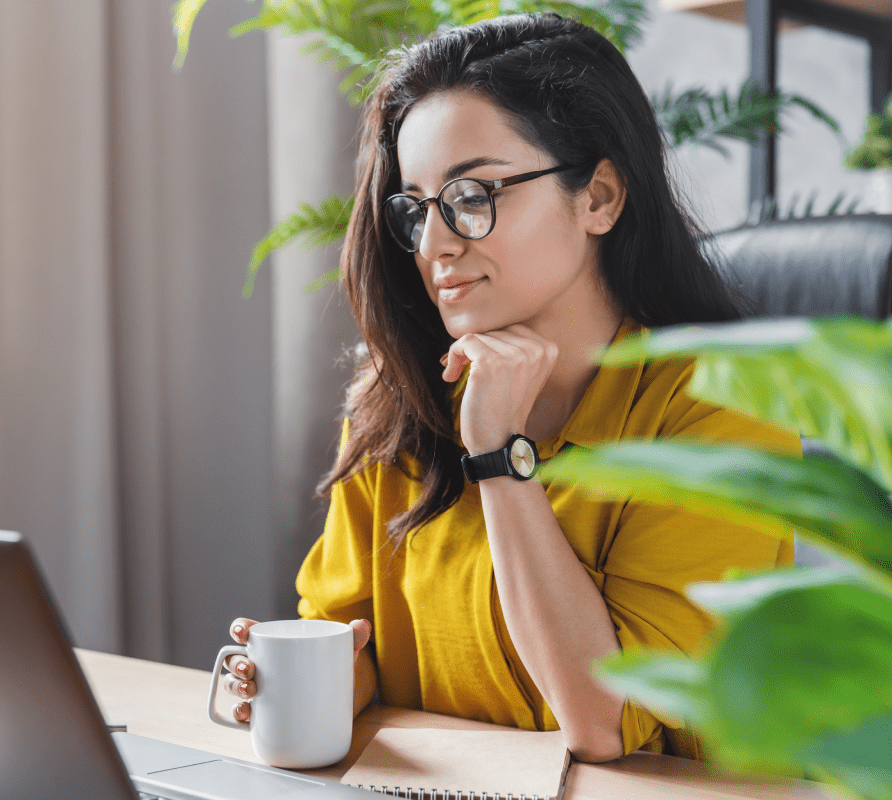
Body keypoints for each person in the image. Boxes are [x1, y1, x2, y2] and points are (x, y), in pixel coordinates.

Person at [219, 13, 796, 763]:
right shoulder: (394, 402)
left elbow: (603, 721)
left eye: (473, 194)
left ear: (600, 198)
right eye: (418, 206)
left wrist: (497, 453)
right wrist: (284, 679)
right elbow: (349, 637)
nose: (435, 243)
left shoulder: (723, 408)